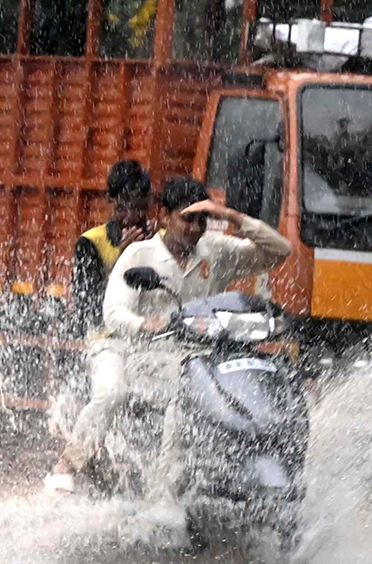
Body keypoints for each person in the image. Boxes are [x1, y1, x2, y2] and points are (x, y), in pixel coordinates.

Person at [46, 175, 291, 496]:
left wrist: (232, 217)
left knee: (218, 397)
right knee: (133, 394)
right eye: (187, 219)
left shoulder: (215, 250)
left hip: (193, 357)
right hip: (136, 351)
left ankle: (194, 484)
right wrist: (143, 324)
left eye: (202, 219)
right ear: (164, 217)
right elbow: (114, 312)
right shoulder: (139, 254)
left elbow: (279, 251)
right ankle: (81, 468)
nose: (194, 228)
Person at [69, 159, 153, 338]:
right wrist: (122, 259)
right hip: (107, 338)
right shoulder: (91, 242)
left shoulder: (161, 239)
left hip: (152, 336)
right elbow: (88, 306)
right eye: (122, 209)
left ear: (149, 203)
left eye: (139, 209)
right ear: (109, 200)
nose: (130, 218)